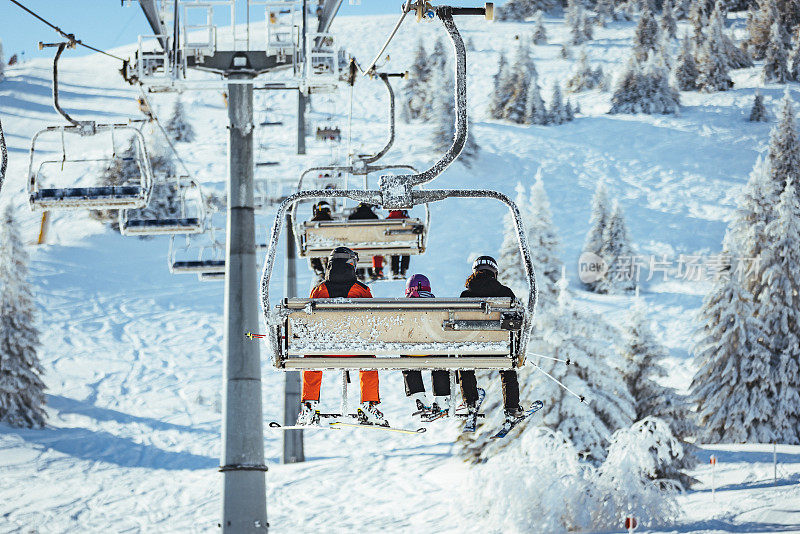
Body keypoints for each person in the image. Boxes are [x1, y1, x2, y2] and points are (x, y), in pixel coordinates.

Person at [297, 247, 388, 426]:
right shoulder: (361, 290)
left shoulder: (319, 290)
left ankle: (309, 404)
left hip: (325, 351)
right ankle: (369, 404)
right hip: (356, 351)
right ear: (351, 265)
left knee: (311, 358)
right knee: (369, 361)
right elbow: (372, 320)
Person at [459, 256, 526, 432]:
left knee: (464, 364)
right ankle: (512, 409)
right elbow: (516, 324)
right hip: (499, 349)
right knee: (508, 369)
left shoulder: (465, 296)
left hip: (472, 349)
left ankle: (471, 403)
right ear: (494, 273)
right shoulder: (506, 294)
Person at [401, 274, 451, 417]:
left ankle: (418, 396)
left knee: (405, 353)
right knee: (441, 354)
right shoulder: (437, 305)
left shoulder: (401, 306)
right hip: (433, 352)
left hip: (411, 354)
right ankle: (442, 398)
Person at [347, 203, 384, 280]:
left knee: (350, 248)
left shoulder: (351, 217)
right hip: (371, 246)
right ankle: (377, 269)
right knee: (377, 247)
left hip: (356, 246)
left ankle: (358, 271)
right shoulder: (374, 217)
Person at [309, 202, 333, 277]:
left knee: (314, 251)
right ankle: (329, 268)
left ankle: (319, 270)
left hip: (316, 247)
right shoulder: (332, 222)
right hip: (330, 246)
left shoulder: (312, 222)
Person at [387, 210, 411, 278]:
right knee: (406, 248)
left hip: (393, 244)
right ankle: (404, 268)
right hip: (404, 244)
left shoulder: (387, 220)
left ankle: (395, 269)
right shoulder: (407, 220)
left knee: (394, 248)